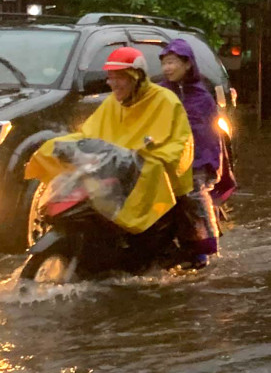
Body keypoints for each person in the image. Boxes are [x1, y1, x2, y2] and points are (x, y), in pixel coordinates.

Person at [25, 46, 194, 234]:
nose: (113, 84)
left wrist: (149, 157)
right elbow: (90, 133)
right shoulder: (113, 102)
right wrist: (59, 145)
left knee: (154, 174)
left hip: (143, 174)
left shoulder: (166, 101)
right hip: (114, 170)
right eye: (110, 77)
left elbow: (176, 145)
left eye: (119, 77)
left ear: (136, 77)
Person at [159, 38, 223, 269]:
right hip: (167, 159)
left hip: (197, 162)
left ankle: (204, 249)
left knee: (194, 198)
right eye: (164, 63)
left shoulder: (202, 98)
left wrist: (206, 164)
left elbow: (209, 137)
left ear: (187, 64)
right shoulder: (161, 94)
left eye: (172, 62)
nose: (167, 68)